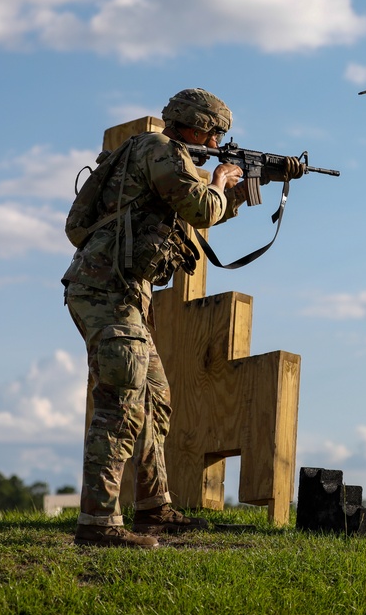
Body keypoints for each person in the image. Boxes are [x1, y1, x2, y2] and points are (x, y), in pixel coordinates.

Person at [63, 88, 248, 548]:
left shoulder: (157, 155)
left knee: (154, 399)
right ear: (194, 125)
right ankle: (98, 524)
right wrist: (222, 181)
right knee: (120, 405)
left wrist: (240, 191)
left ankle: (153, 507)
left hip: (120, 293)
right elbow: (202, 208)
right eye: (214, 132)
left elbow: (191, 210)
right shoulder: (161, 149)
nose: (216, 141)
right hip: (108, 291)